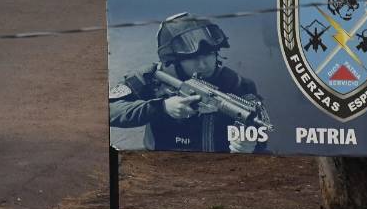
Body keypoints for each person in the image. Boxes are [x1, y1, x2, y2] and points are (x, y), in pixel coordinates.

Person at [109, 13, 266, 153]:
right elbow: (110, 110)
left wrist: (250, 145)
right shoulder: (152, 77)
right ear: (173, 60)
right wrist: (162, 107)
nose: (203, 64)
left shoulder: (237, 84)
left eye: (209, 54)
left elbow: (260, 129)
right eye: (192, 58)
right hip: (162, 169)